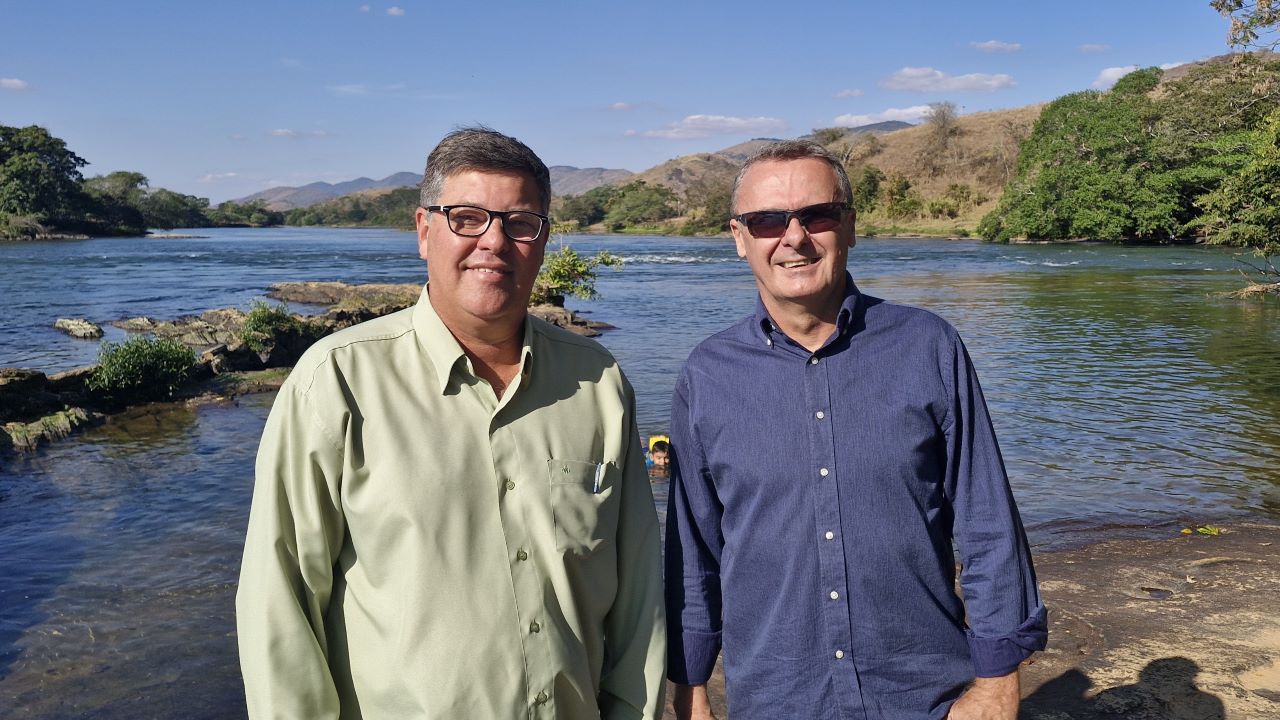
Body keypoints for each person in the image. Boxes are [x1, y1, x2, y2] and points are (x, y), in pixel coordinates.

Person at [236, 127, 666, 719]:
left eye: (519, 223)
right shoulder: (335, 381)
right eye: (467, 217)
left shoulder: (598, 382)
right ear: (423, 230)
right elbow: (279, 597)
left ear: (542, 241)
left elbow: (638, 591)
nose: (494, 242)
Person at [664, 140, 1046, 720]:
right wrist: (690, 688)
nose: (793, 237)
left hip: (923, 693)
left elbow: (986, 520)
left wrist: (997, 680)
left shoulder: (927, 346)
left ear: (849, 226)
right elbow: (694, 550)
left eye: (816, 215)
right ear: (739, 237)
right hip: (774, 698)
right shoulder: (707, 374)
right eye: (767, 220)